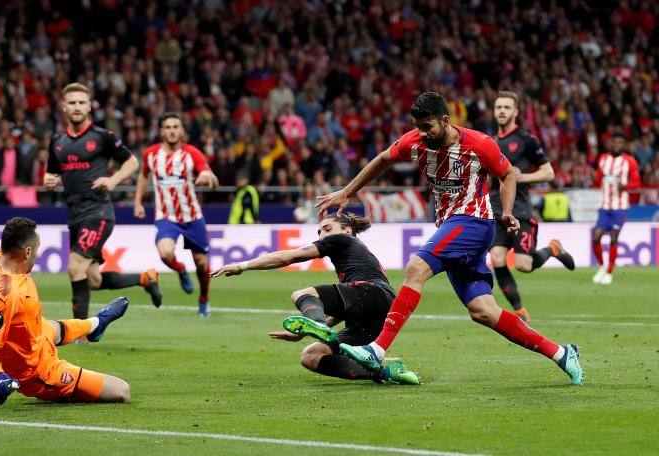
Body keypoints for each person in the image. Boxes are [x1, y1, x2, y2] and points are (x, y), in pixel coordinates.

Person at [317, 92, 583, 385]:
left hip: (474, 221)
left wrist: (507, 211)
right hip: (452, 226)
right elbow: (382, 160)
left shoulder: (479, 144)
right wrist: (348, 191)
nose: (422, 133)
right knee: (483, 311)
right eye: (417, 126)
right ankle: (562, 353)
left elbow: (507, 175)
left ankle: (377, 350)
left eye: (428, 126)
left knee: (417, 267)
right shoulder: (414, 142)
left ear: (446, 120)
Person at [211, 212, 420, 385]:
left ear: (347, 230)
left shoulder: (343, 240)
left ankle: (317, 323)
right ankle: (388, 373)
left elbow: (289, 257)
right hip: (376, 311)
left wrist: (242, 266)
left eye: (327, 229)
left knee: (301, 295)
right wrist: (305, 332)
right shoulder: (357, 257)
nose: (322, 235)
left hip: (371, 293)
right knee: (311, 356)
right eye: (319, 231)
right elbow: (350, 305)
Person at [0, 217, 130, 406]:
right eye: (37, 249)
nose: (38, 255)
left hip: (34, 332)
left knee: (52, 328)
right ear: (27, 252)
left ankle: (96, 324)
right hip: (38, 371)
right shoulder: (5, 295)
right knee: (122, 390)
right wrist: (0, 378)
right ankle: (94, 325)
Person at [44, 83, 162, 319]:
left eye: (81, 102)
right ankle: (145, 278)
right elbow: (52, 172)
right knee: (93, 280)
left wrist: (114, 179)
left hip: (98, 212)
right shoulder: (57, 141)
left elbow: (132, 162)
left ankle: (79, 333)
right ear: (64, 107)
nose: (77, 107)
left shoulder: (102, 137)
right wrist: (49, 179)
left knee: (75, 266)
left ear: (89, 106)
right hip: (75, 216)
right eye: (72, 103)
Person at [488, 92, 575, 323]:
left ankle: (553, 249)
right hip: (496, 211)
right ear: (494, 111)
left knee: (524, 265)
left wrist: (520, 178)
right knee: (497, 258)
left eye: (507, 107)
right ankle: (519, 310)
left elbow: (549, 172)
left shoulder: (527, 140)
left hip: (521, 210)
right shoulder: (489, 142)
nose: (502, 111)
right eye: (499, 107)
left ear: (516, 111)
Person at [134, 112, 219, 316]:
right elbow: (144, 175)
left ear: (182, 131)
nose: (172, 131)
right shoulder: (151, 154)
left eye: (176, 127)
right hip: (166, 216)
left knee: (202, 264)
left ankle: (204, 299)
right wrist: (137, 201)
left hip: (192, 217)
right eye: (168, 127)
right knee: (164, 253)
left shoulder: (193, 154)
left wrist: (208, 176)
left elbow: (210, 175)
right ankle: (180, 269)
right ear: (162, 131)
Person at [591, 132, 641, 285]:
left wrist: (625, 186)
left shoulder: (630, 162)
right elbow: (598, 179)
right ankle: (602, 266)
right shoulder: (603, 159)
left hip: (620, 207)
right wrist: (596, 179)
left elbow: (637, 184)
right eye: (614, 142)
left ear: (624, 145)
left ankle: (609, 273)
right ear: (610, 144)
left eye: (620, 142)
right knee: (596, 237)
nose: (617, 145)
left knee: (613, 237)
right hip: (605, 206)